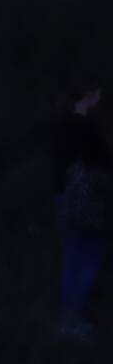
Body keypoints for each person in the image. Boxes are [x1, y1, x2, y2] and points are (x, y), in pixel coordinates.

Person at [53, 80, 111, 341]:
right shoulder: (86, 128)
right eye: (96, 93)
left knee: (74, 258)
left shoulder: (62, 125)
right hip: (86, 204)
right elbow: (101, 164)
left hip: (66, 200)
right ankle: (72, 320)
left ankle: (69, 315)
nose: (99, 98)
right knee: (87, 259)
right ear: (87, 95)